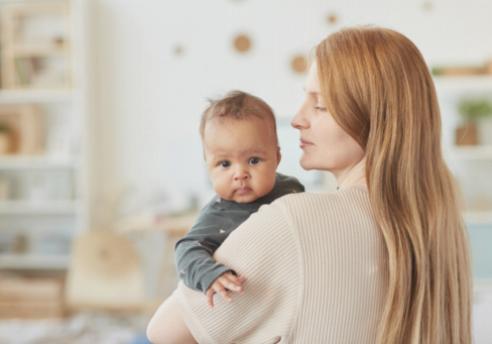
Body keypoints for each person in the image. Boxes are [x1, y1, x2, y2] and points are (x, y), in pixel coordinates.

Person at [147, 26, 471, 344]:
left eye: (319, 105)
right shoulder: (437, 223)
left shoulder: (295, 220)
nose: (298, 119)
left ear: (372, 118)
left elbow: (164, 332)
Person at [175, 90, 304, 306]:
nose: (240, 174)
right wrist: (212, 274)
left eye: (253, 160)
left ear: (277, 158)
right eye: (225, 164)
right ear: (208, 166)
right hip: (247, 300)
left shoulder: (291, 188)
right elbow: (186, 250)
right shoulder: (217, 216)